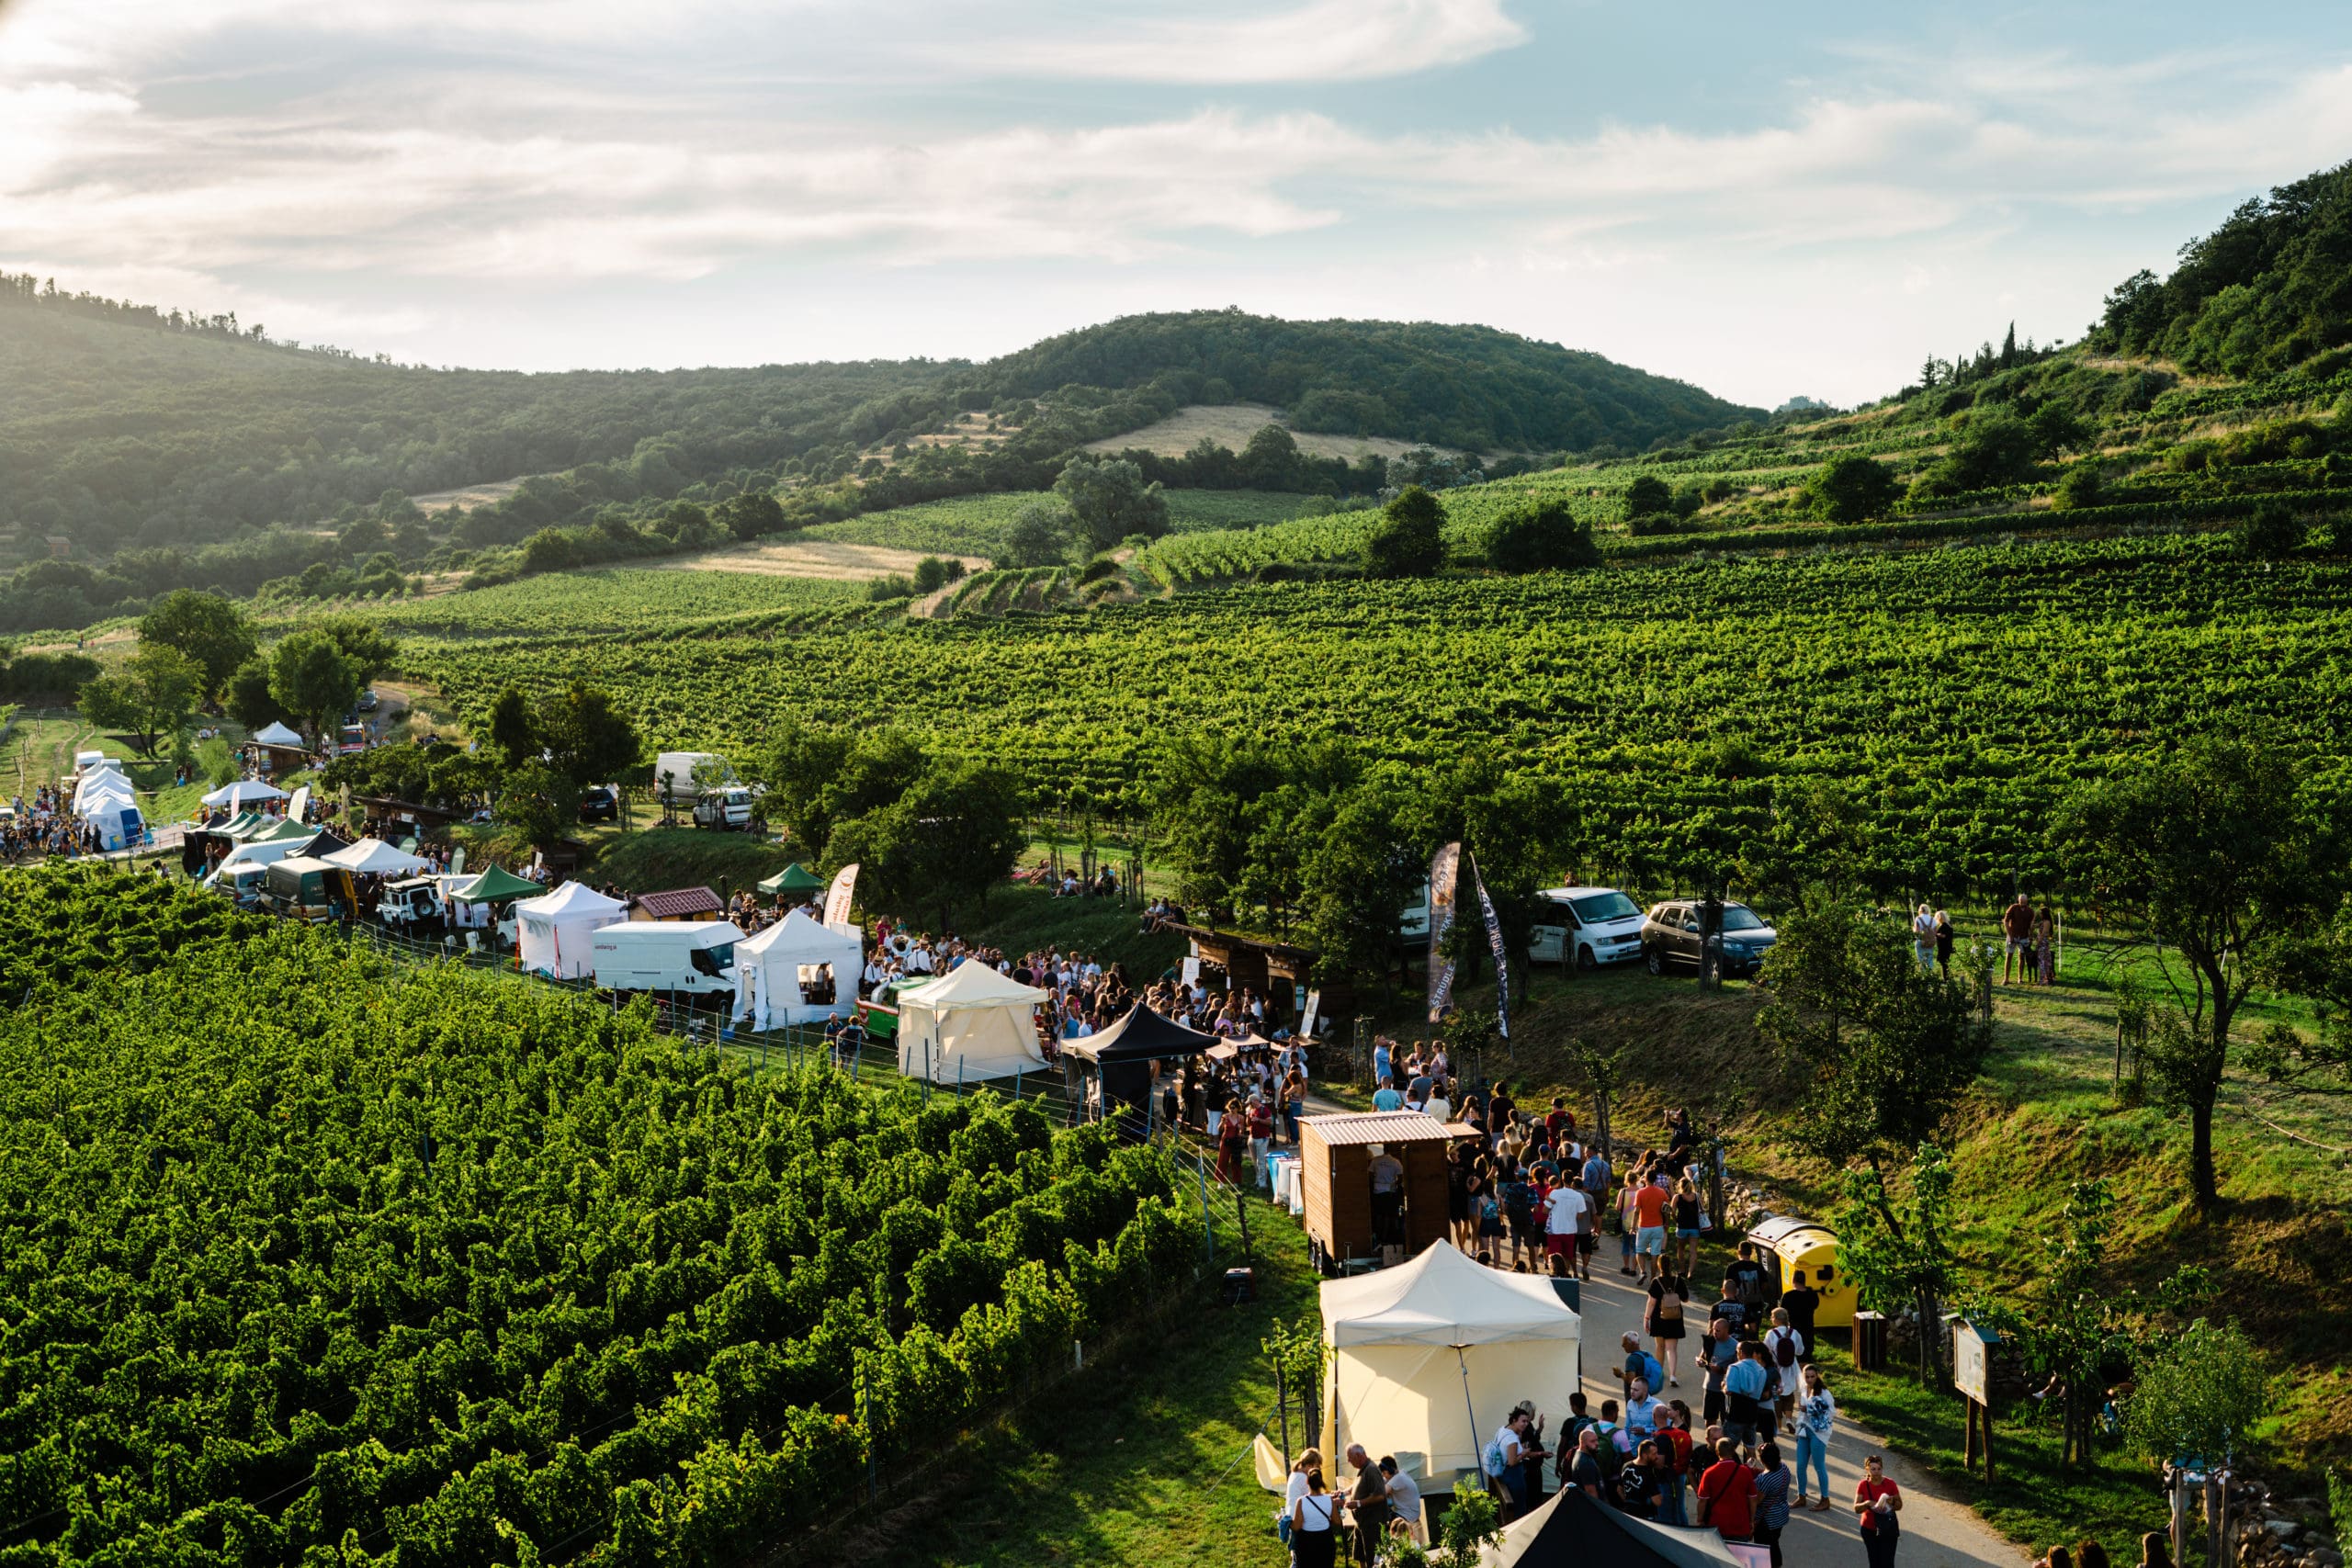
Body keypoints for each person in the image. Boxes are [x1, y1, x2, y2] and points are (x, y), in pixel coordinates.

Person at [1695, 1437, 1758, 1542]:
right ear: (1733, 1451)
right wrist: (1751, 1520)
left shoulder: (1709, 1473)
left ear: (1717, 1452)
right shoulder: (1745, 1472)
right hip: (1740, 1525)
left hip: (1717, 1526)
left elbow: (1702, 1501)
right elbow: (1753, 1499)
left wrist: (1700, 1520)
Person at [1793, 1364, 1835, 1509]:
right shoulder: (1804, 1389)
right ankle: (1801, 1496)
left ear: (1817, 1376)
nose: (1810, 1379)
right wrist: (1797, 1430)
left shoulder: (1824, 1393)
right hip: (1804, 1430)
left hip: (1819, 1433)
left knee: (1819, 1466)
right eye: (1807, 1376)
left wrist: (1810, 1409)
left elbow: (1831, 1412)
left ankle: (1825, 1499)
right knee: (1800, 1465)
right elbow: (1801, 1413)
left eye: (1812, 1376)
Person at [1344, 1445, 1389, 1568]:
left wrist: (1358, 1503)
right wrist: (1344, 1492)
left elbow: (1380, 1495)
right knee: (1360, 1555)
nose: (1348, 1461)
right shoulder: (1363, 1469)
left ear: (1359, 1456)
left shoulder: (1371, 1469)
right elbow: (1358, 1484)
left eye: (1350, 1457)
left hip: (1372, 1523)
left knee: (1373, 1559)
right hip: (1362, 1522)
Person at [1855, 1453, 1903, 1568]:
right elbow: (1856, 1508)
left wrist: (1892, 1502)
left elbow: (1899, 1505)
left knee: (1887, 1563)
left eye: (1879, 1469)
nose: (1877, 1472)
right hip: (1869, 1529)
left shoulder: (1890, 1483)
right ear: (1867, 1469)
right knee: (1874, 1562)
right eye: (1873, 1469)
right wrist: (1867, 1503)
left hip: (1888, 1528)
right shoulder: (1863, 1485)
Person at [1723, 1341, 1770, 1455]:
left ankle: (1729, 1466)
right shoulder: (1762, 1370)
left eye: (1737, 1352)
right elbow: (1762, 1393)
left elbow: (1729, 1391)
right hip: (1752, 1414)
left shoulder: (1734, 1368)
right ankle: (1751, 1465)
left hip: (1735, 1413)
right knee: (1750, 1446)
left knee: (1727, 1449)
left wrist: (1723, 1386)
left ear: (1741, 1352)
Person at [1753, 1441, 1794, 1568]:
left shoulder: (1764, 1479)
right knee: (1774, 1543)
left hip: (1766, 1521)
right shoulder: (1784, 1468)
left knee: (1764, 1548)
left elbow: (1757, 1500)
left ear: (1762, 1460)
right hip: (1780, 1515)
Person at [1764, 1309, 1805, 1429]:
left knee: (1777, 1395)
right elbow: (1800, 1351)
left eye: (1772, 1317)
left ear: (1777, 1319)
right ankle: (1789, 1419)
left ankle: (1779, 1426)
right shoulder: (1795, 1333)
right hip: (1792, 1368)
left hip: (1777, 1368)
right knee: (1789, 1395)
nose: (1771, 1319)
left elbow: (1766, 1351)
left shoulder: (1771, 1333)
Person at [1291, 1469, 1340, 1568]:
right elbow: (1337, 1521)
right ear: (1321, 1481)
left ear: (1307, 1481)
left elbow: (1296, 1526)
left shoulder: (1301, 1501)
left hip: (1306, 1542)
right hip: (1325, 1541)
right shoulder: (1329, 1500)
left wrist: (1285, 1521)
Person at [1647, 1270, 1690, 1386]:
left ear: (1659, 1266)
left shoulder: (1656, 1282)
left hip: (1658, 1317)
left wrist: (1646, 1318)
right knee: (1671, 1349)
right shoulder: (1678, 1280)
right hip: (1675, 1318)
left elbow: (1651, 1302)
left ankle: (1659, 1373)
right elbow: (1686, 1299)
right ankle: (1673, 1376)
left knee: (1660, 1346)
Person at [1633, 1168, 1670, 1280]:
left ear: (1645, 1179)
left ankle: (1643, 1272)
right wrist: (1666, 1223)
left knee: (1640, 1252)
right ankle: (1653, 1278)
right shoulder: (1661, 1192)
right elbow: (1666, 1209)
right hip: (1658, 1226)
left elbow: (1636, 1211)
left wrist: (1633, 1226)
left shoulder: (1640, 1192)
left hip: (1644, 1226)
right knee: (1655, 1254)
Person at [1380, 1457, 1425, 1550]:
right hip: (1411, 1513)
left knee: (1379, 1512)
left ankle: (1386, 1547)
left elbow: (1381, 1493)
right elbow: (1379, 1481)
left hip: (1407, 1515)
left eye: (1384, 1473)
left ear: (1391, 1470)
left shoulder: (1399, 1478)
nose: (1384, 1476)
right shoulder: (1401, 1473)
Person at [1780, 1270, 1821, 1363]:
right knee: (1807, 1350)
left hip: (1793, 1327)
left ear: (1793, 1280)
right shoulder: (1812, 1294)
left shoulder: (1788, 1296)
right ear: (1804, 1280)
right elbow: (1815, 1305)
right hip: (1808, 1326)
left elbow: (1782, 1312)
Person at [1621, 1332, 1664, 1404]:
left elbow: (1630, 1380)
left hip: (1635, 1398)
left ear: (1633, 1343)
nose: (1622, 1345)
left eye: (1625, 1343)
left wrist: (1620, 1374)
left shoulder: (1631, 1359)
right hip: (1645, 1394)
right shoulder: (1646, 1354)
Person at [2002, 893, 2035, 985]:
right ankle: (2006, 979)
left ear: (2027, 901)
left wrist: (2031, 936)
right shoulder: (2013, 908)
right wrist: (2010, 935)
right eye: (2021, 902)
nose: (2022, 904)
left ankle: (2020, 979)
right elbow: (2006, 921)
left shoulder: (2030, 911)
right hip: (2012, 935)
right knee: (2009, 956)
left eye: (2024, 902)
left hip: (2024, 936)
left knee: (2022, 957)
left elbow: (2031, 925)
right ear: (2019, 901)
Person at [2037, 907, 2058, 986]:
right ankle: (2048, 978)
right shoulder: (2043, 922)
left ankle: (2043, 979)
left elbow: (2044, 933)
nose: (2040, 914)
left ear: (2044, 914)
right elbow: (2034, 926)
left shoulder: (2047, 922)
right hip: (2043, 943)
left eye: (2041, 913)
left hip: (2043, 943)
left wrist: (2038, 942)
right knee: (2045, 961)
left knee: (2042, 961)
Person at [1911, 902, 1937, 972]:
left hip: (1921, 941)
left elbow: (1916, 931)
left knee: (1921, 959)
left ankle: (1923, 975)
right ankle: (1930, 974)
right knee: (1929, 959)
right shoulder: (1933, 919)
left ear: (1920, 910)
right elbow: (1935, 932)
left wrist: (1913, 929)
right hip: (1930, 942)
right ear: (1928, 910)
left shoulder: (1918, 918)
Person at [1933, 908, 1956, 979]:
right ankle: (1947, 977)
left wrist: (1935, 934)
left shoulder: (1944, 926)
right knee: (1944, 962)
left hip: (1944, 947)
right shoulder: (1947, 925)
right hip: (1946, 946)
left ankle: (1946, 978)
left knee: (1943, 962)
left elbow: (1943, 935)